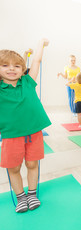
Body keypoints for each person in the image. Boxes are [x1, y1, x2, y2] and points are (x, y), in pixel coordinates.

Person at [0, 38, 51, 213]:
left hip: (33, 133)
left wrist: (40, 45)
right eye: (5, 65)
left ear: (22, 69)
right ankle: (20, 196)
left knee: (31, 164)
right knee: (13, 167)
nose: (11, 69)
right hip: (11, 135)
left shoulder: (28, 82)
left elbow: (36, 61)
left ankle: (32, 194)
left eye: (16, 66)